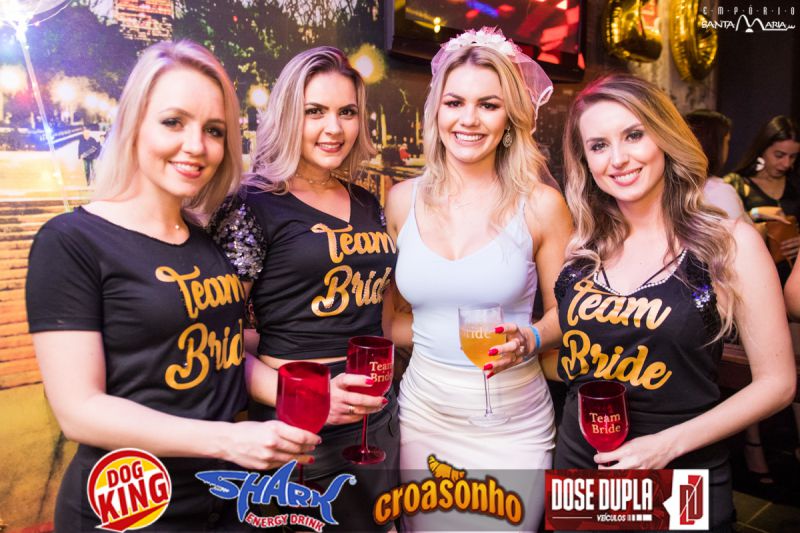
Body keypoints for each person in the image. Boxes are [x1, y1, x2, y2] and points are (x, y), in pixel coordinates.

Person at [25, 41, 320, 532]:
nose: (196, 146)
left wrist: (315, 391)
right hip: (129, 506)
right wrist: (227, 440)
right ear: (135, 124)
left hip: (221, 499)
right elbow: (79, 410)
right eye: (173, 122)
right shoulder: (71, 241)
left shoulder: (204, 243)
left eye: (214, 130)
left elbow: (221, 354)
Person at [555, 73, 796, 531]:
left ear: (664, 137)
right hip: (581, 464)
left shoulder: (728, 244)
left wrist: (665, 445)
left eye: (633, 135)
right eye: (599, 145)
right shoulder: (584, 246)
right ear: (585, 160)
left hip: (680, 474)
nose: (618, 158)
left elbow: (778, 383)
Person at [385, 28, 572, 531]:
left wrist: (530, 338)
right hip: (423, 418)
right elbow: (392, 317)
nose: (468, 119)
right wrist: (437, 345)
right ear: (436, 112)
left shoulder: (542, 206)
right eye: (455, 103)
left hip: (512, 427)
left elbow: (569, 315)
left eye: (488, 105)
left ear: (509, 119)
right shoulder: (401, 201)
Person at [209, 46, 398, 531]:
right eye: (315, 111)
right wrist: (313, 398)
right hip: (298, 423)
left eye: (347, 112)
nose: (334, 128)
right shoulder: (252, 203)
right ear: (289, 115)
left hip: (375, 417)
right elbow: (217, 341)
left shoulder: (367, 201)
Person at [725, 116, 800, 283]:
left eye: (793, 157)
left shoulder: (796, 184)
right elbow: (721, 231)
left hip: (794, 281)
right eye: (779, 155)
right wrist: (755, 213)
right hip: (753, 278)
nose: (786, 163)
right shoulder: (736, 184)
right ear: (762, 149)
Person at [685, 109, 746, 221]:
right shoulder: (720, 192)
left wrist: (756, 213)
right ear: (714, 145)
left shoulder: (669, 187)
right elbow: (735, 230)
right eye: (727, 141)